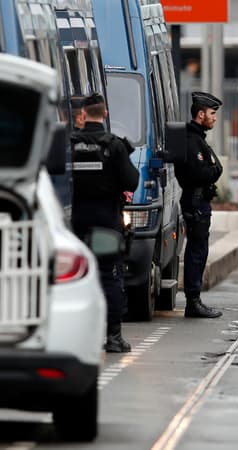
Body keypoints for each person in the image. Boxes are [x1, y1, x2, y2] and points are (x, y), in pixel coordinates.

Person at [70, 93, 139, 352]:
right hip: (106, 221)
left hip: (75, 221)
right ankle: (113, 337)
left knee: (75, 275)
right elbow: (131, 181)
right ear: (105, 114)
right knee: (108, 276)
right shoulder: (114, 145)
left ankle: (77, 335)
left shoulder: (71, 144)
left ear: (83, 114)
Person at [175, 91, 224, 319]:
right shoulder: (191, 140)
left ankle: (194, 301)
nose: (214, 118)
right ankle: (193, 302)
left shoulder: (197, 138)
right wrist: (212, 170)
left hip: (199, 200)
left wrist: (213, 170)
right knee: (196, 251)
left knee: (199, 249)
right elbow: (200, 172)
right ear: (201, 113)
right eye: (212, 113)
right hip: (195, 201)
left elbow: (215, 168)